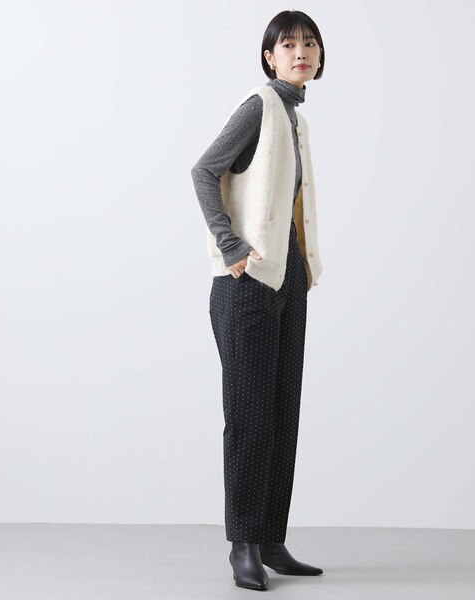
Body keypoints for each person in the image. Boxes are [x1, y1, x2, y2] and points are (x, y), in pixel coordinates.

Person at [191, 9, 325, 591]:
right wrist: (230, 244)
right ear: (269, 56)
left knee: (282, 412)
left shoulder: (295, 116)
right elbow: (204, 171)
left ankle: (271, 539)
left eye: (309, 43)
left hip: (288, 277)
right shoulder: (260, 106)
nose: (301, 52)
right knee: (248, 417)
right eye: (288, 44)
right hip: (246, 283)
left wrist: (300, 265)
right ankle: (242, 544)